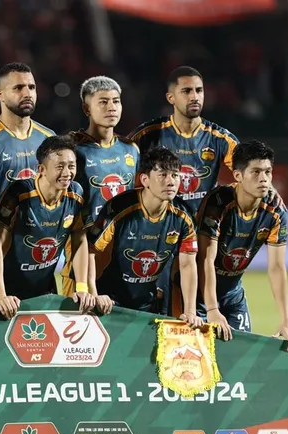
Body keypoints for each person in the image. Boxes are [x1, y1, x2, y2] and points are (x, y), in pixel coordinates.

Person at [196, 140, 288, 352]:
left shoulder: (275, 210)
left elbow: (276, 267)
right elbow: (205, 260)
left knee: (239, 359)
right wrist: (212, 309)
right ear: (238, 176)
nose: (264, 179)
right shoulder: (218, 203)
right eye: (255, 172)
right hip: (198, 297)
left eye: (267, 172)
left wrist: (286, 322)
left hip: (233, 294)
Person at [0, 62, 54, 306]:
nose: (27, 93)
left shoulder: (49, 139)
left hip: (38, 258)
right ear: (0, 95)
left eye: (31, 87)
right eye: (18, 88)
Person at [87, 146, 202, 323]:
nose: (171, 182)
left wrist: (190, 312)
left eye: (175, 175)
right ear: (145, 179)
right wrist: (94, 294)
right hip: (110, 302)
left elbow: (187, 265)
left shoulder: (184, 215)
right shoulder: (119, 209)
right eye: (163, 175)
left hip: (150, 302)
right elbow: (89, 252)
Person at [0, 135, 95, 317]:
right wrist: (0, 296)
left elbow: (79, 239)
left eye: (71, 166)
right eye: (60, 166)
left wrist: (82, 287)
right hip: (6, 292)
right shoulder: (19, 193)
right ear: (42, 169)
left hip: (45, 290)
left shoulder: (76, 193)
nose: (67, 173)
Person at [61, 76, 139, 296]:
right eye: (103, 102)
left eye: (116, 101)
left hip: (123, 253)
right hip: (83, 251)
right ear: (87, 109)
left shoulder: (131, 150)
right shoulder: (72, 149)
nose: (111, 107)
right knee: (80, 314)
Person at [128, 66, 239, 213]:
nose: (194, 97)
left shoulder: (220, 138)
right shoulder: (146, 136)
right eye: (186, 91)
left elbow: (250, 172)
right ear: (171, 98)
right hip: (160, 223)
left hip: (203, 223)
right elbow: (120, 170)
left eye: (199, 90)